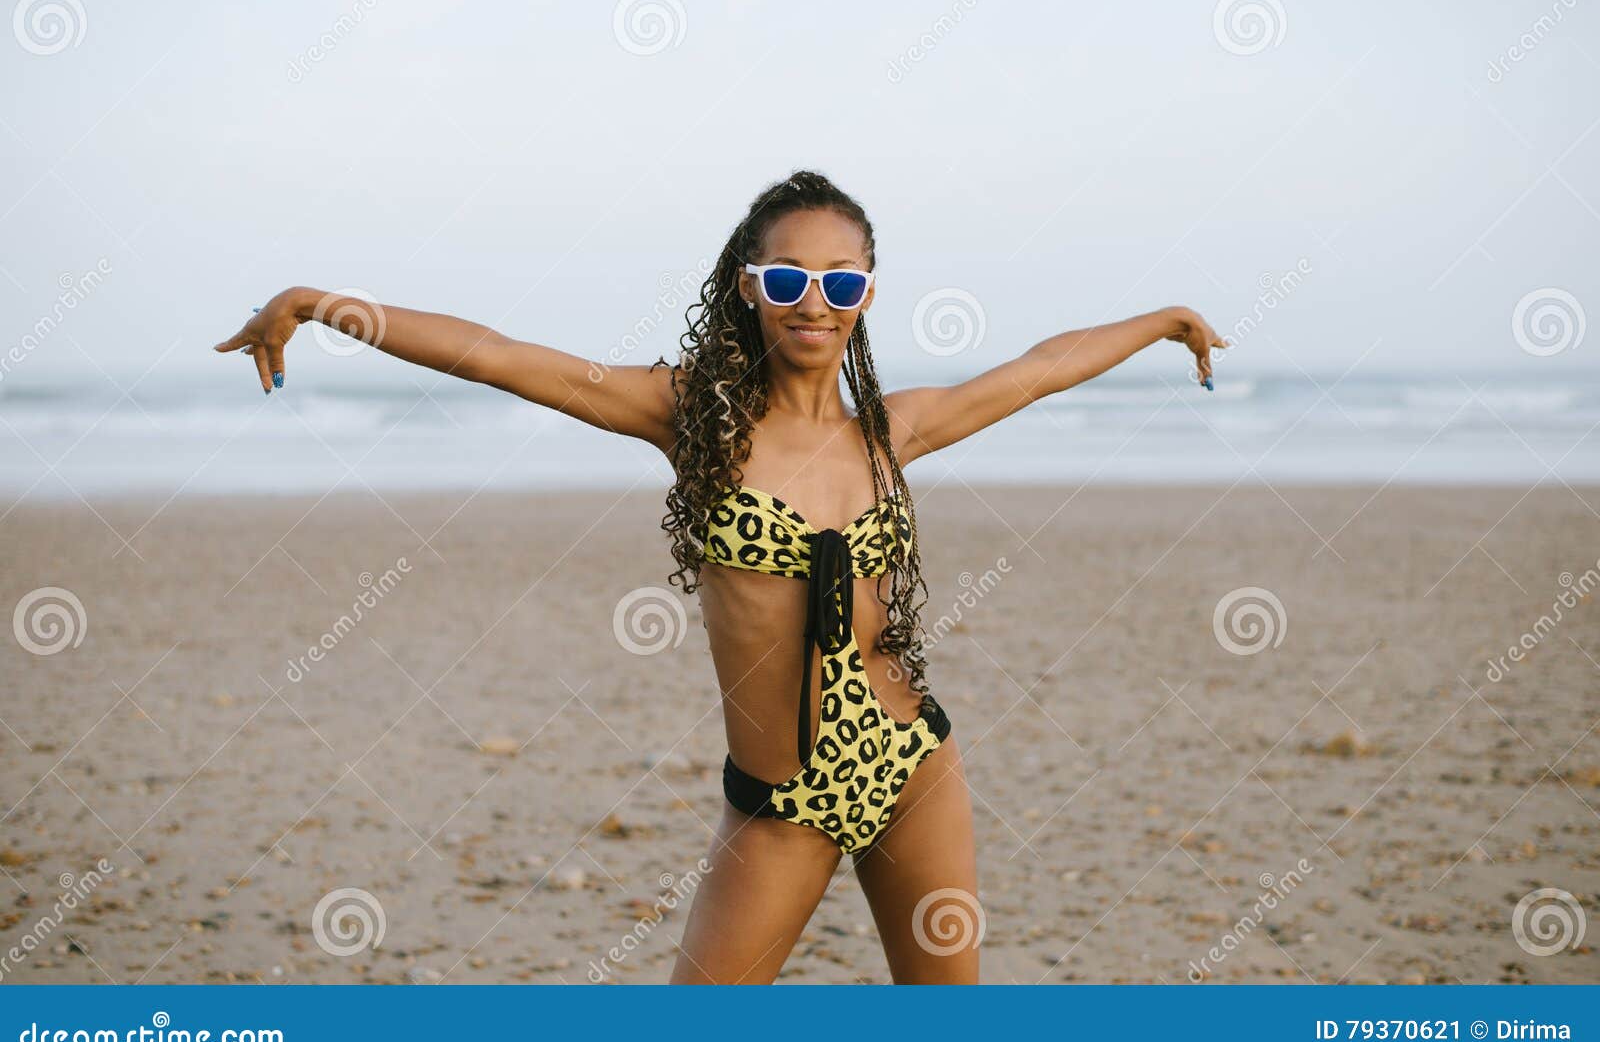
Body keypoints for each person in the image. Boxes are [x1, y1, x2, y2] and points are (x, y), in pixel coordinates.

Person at [214, 169, 1223, 983]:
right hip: (781, 803)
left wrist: (1164, 320)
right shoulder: (691, 414)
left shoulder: (892, 431)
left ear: (867, 293)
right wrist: (318, 305)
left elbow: (1042, 368)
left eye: (840, 280)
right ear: (749, 287)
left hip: (915, 769)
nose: (813, 301)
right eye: (787, 279)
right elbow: (499, 356)